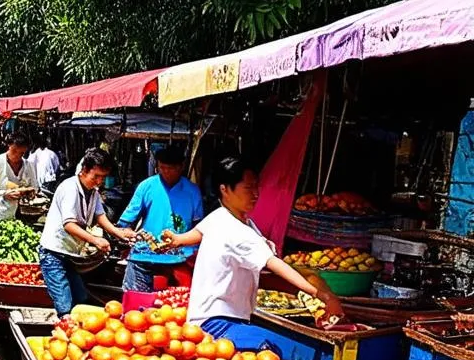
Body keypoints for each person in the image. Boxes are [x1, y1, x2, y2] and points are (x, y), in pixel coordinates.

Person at [159, 157, 345, 349]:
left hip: (210, 318)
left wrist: (177, 239)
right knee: (275, 349)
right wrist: (321, 295)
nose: (255, 194)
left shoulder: (222, 217)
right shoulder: (237, 230)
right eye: (248, 188)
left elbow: (197, 233)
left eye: (256, 187)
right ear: (225, 190)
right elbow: (274, 264)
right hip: (217, 323)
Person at [39, 147, 137, 316]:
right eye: (96, 176)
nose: (99, 181)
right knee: (65, 305)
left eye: (103, 177)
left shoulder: (93, 192)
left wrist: (118, 233)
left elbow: (100, 215)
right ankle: (65, 330)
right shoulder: (69, 188)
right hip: (53, 253)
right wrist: (95, 240)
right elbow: (69, 224)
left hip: (70, 254)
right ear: (84, 170)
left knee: (81, 298)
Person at [119, 145, 204, 292]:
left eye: (171, 168)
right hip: (143, 256)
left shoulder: (192, 191)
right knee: (135, 306)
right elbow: (125, 223)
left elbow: (199, 227)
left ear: (181, 167)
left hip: (180, 259)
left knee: (176, 308)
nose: (166, 172)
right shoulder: (146, 186)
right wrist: (129, 235)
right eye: (162, 167)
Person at [0, 132, 39, 226]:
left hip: (13, 216)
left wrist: (29, 193)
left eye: (21, 153)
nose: (17, 155)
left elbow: (34, 187)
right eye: (14, 151)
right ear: (9, 146)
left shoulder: (28, 166)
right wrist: (5, 194)